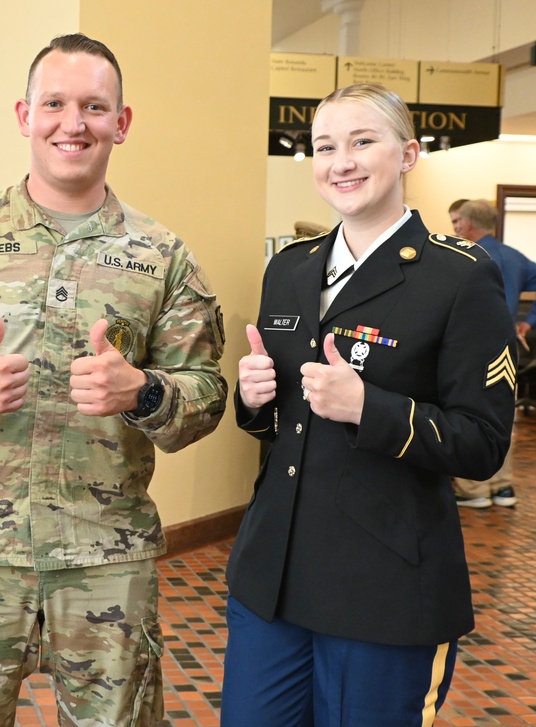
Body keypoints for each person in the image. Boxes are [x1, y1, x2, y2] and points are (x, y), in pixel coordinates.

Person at [0, 33, 227, 726]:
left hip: (105, 558)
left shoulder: (163, 256)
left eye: (95, 106)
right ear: (23, 114)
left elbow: (207, 395)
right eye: (55, 103)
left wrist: (145, 393)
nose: (74, 123)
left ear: (121, 123)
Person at [227, 83, 517, 726]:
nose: (341, 161)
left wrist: (369, 407)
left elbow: (484, 444)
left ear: (408, 154)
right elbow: (285, 424)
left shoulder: (459, 276)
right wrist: (255, 399)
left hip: (383, 588)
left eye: (364, 141)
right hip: (270, 578)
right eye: (325, 146)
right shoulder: (290, 268)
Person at [448, 197, 536, 508]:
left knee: (468, 414)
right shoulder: (515, 257)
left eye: (458, 222)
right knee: (501, 415)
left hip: (469, 348)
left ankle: (474, 490)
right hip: (507, 349)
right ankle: (502, 486)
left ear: (468, 224)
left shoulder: (463, 256)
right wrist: (527, 323)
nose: (456, 228)